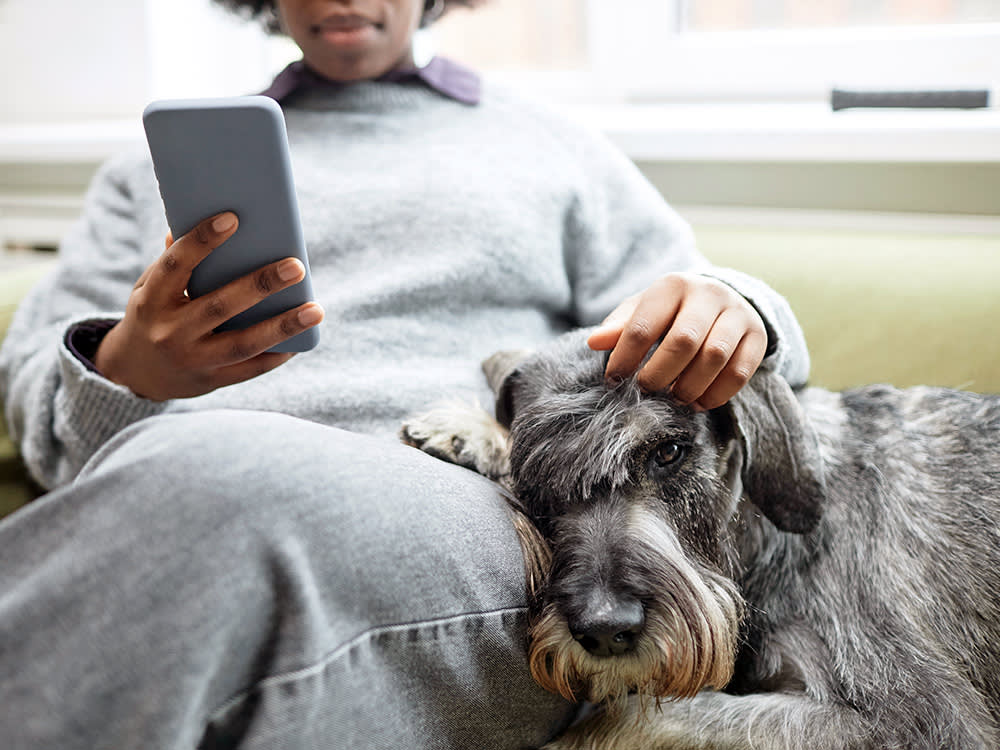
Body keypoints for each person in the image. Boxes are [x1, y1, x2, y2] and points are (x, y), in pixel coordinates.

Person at [0, 0, 809, 747]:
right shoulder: (144, 175)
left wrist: (736, 309)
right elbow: (38, 406)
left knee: (209, 473)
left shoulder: (552, 146)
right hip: (179, 511)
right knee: (195, 487)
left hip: (478, 531)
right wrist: (124, 369)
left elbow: (725, 326)